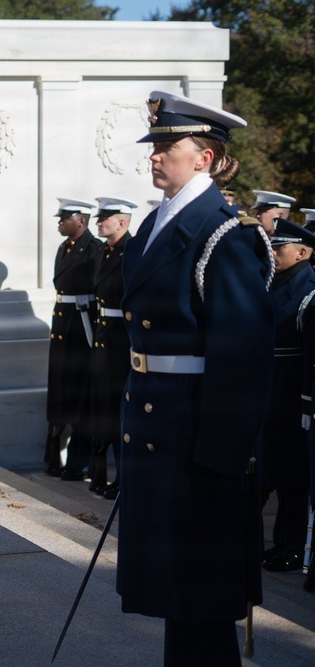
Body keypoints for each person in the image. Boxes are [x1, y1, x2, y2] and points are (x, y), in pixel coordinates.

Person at [118, 90, 274, 666]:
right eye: (154, 145)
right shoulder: (161, 222)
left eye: (168, 145)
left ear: (204, 157)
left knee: (200, 597)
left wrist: (222, 459)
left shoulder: (226, 235)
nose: (154, 155)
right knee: (178, 594)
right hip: (159, 424)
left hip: (195, 439)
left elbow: (243, 359)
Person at [261, 219, 315, 573]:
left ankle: (292, 546)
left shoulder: (309, 288)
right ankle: (276, 542)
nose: (273, 253)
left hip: (292, 396)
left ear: (302, 252)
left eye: (279, 248)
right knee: (270, 471)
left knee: (293, 479)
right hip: (267, 393)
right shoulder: (269, 280)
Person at [45, 198, 100, 481]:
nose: (59, 221)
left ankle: (78, 461)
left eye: (65, 217)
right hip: (63, 326)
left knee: (80, 396)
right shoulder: (64, 248)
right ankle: (52, 456)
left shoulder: (94, 250)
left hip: (81, 328)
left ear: (81, 220)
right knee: (60, 393)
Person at [87, 196, 136, 499]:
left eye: (105, 217)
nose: (98, 221)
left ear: (122, 221)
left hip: (121, 339)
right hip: (104, 335)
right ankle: (103, 474)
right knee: (104, 408)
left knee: (121, 411)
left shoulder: (130, 251)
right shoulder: (105, 252)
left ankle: (123, 478)